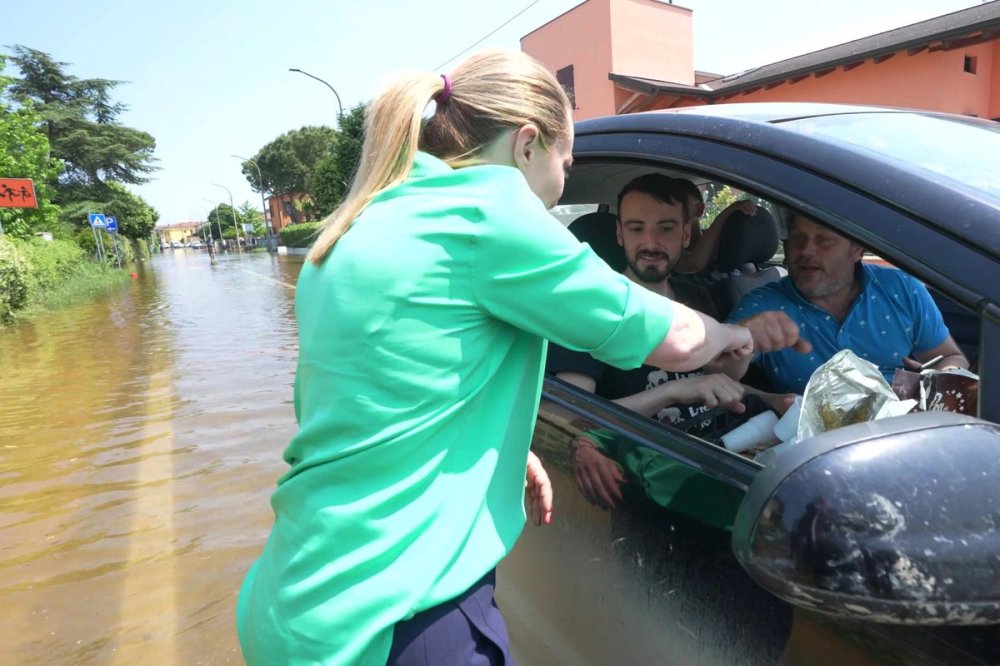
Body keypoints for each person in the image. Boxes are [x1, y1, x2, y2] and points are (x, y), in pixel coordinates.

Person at [235, 50, 802, 666]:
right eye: (567, 163)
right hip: (399, 614)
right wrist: (728, 336)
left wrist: (506, 446)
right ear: (527, 144)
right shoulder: (488, 212)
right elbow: (667, 337)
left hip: (299, 594)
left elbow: (376, 391)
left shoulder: (367, 223)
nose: (562, 183)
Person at [548, 174, 795, 509]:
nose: (650, 242)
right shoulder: (591, 311)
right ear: (620, 234)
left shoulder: (699, 299)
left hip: (719, 460)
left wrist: (772, 399)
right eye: (636, 228)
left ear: (686, 234)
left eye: (665, 228)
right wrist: (674, 391)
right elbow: (570, 416)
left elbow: (716, 383)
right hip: (648, 483)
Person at [727, 213, 968, 395]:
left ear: (856, 249)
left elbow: (951, 357)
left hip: (905, 432)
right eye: (798, 238)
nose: (806, 250)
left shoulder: (901, 289)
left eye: (823, 240)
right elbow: (718, 372)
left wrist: (932, 386)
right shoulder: (764, 305)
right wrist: (743, 341)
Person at [673, 178, 759, 275]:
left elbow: (749, 271)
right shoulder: (670, 250)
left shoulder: (721, 242)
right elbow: (694, 263)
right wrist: (726, 213)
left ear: (699, 209)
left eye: (680, 204)